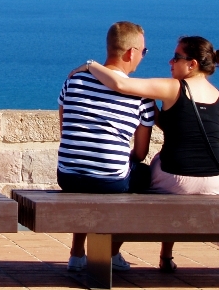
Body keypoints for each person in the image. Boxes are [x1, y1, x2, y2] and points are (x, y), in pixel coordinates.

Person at [81, 35, 219, 272]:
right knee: (168, 170)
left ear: (192, 64)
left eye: (176, 58)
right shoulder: (218, 96)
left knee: (138, 181)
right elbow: (186, 127)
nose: (170, 63)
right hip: (215, 179)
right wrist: (153, 109)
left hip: (177, 176)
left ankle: (110, 253)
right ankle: (166, 257)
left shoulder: (173, 87)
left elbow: (121, 84)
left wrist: (91, 65)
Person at [58, 21, 156, 274]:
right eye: (143, 52)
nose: (142, 58)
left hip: (67, 175)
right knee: (144, 175)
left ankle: (76, 254)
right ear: (131, 52)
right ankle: (111, 252)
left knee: (88, 178)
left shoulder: (74, 80)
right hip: (110, 180)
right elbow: (141, 153)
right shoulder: (141, 96)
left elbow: (65, 127)